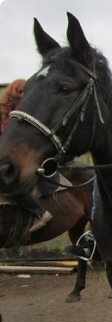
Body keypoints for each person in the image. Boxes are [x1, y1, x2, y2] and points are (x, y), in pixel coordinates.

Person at [0, 79, 52, 232]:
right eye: (21, 92)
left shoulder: (30, 115)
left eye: (26, 93)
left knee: (12, 182)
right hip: (5, 155)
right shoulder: (3, 113)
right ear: (13, 92)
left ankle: (40, 213)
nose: (25, 96)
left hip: (21, 159)